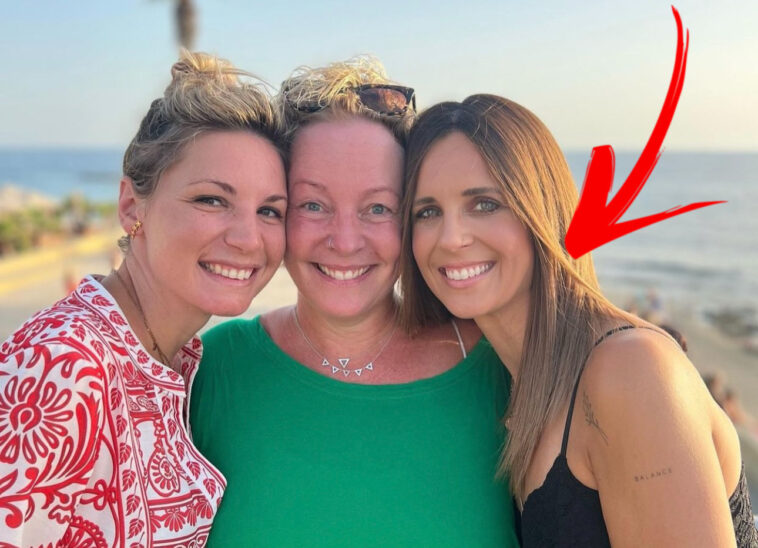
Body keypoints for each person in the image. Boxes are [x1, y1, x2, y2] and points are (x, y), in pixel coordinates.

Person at [400, 94, 757, 546]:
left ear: (542, 210)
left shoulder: (630, 371)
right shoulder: (500, 382)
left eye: (484, 204)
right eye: (427, 212)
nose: (451, 238)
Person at [190, 58, 519, 546]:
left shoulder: (503, 368)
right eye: (313, 205)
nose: (345, 242)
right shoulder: (207, 370)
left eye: (378, 208)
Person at [0, 51, 287, 546]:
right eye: (211, 200)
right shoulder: (63, 367)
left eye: (270, 211)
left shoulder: (174, 357)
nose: (248, 239)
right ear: (132, 207)